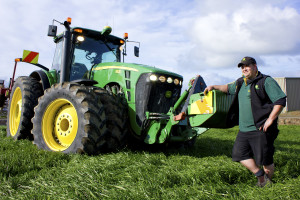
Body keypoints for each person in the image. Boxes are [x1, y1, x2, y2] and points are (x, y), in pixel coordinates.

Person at [204, 56, 286, 187]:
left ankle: (268, 185)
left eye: (247, 66)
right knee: (239, 155)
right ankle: (261, 176)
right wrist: (214, 86)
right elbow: (227, 88)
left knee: (265, 160)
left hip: (261, 128)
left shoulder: (266, 81)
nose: (244, 69)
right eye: (242, 67)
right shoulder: (241, 82)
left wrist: (270, 119)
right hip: (244, 129)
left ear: (255, 66)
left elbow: (280, 101)